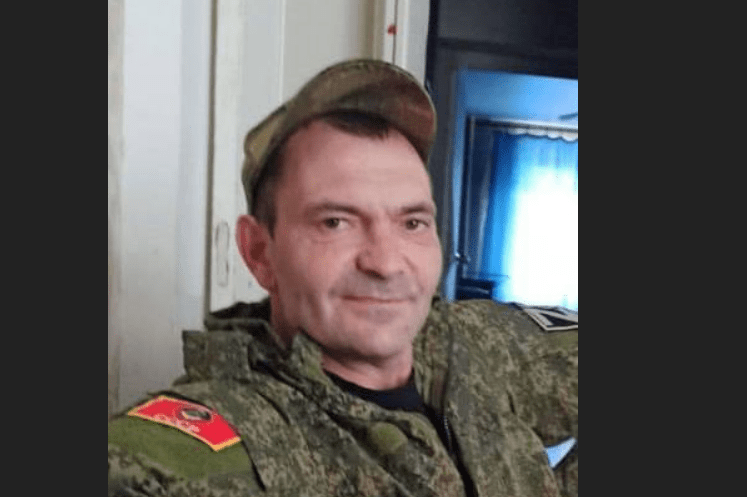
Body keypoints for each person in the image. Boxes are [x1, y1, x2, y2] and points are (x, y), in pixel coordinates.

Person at [108, 59, 578, 497]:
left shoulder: (472, 341)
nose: (386, 263)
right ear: (259, 252)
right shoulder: (203, 449)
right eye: (335, 222)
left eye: (412, 222)